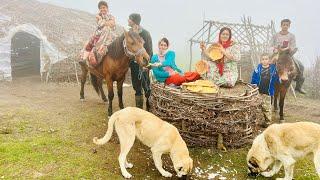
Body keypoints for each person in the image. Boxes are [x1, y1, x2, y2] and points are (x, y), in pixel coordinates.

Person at [271, 19, 306, 94]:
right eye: (284, 25)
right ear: (281, 25)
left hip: (288, 54)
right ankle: (264, 81)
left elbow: (293, 46)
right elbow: (271, 45)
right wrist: (275, 49)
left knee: (301, 66)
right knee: (267, 63)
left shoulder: (292, 36)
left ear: (289, 26)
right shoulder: (276, 35)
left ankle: (298, 86)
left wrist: (289, 48)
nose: (285, 26)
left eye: (287, 25)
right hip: (278, 53)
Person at [80, 1, 121, 66]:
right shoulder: (98, 16)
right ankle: (84, 60)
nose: (102, 9)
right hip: (99, 34)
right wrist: (108, 23)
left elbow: (113, 26)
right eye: (100, 8)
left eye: (104, 7)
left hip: (109, 35)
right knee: (89, 44)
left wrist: (105, 23)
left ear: (107, 8)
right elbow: (100, 24)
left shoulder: (111, 16)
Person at [128, 13, 153, 110]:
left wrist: (147, 65)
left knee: (146, 86)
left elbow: (149, 50)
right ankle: (139, 110)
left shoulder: (145, 33)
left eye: (129, 19)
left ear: (134, 21)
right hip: (134, 64)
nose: (128, 21)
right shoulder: (129, 33)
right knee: (137, 88)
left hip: (144, 64)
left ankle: (149, 108)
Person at [251, 53, 279, 123]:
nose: (264, 61)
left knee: (267, 108)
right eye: (263, 59)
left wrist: (279, 80)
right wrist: (253, 85)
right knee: (256, 107)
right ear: (261, 60)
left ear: (269, 60)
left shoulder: (273, 69)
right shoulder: (257, 69)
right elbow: (253, 78)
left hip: (268, 92)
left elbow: (277, 79)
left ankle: (267, 122)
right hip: (258, 92)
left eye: (266, 59)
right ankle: (255, 120)